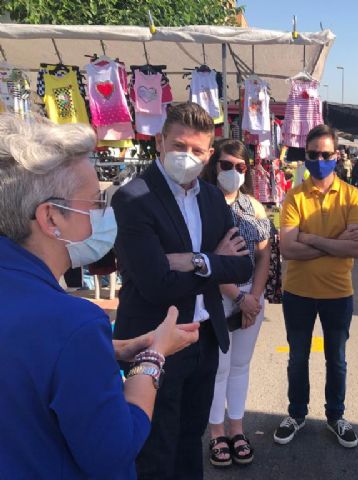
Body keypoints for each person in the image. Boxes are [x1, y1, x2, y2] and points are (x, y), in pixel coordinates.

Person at [0, 114, 200, 479]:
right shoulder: (72, 323)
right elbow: (116, 448)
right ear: (51, 218)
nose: (102, 215)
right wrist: (154, 356)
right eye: (94, 204)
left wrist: (109, 349)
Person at [112, 103, 253, 480]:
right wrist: (211, 261)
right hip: (153, 339)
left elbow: (241, 265)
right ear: (160, 141)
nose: (186, 157)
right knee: (155, 447)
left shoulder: (210, 197)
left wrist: (191, 260)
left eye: (196, 150)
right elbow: (156, 283)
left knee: (191, 440)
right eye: (179, 145)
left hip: (203, 339)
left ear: (209, 154)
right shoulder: (133, 197)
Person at [273, 124, 358, 448]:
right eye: (313, 155)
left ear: (336, 156)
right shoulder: (294, 196)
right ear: (306, 156)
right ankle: (296, 413)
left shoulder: (352, 196)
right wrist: (331, 242)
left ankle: (335, 416)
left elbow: (356, 247)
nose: (320, 159)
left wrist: (308, 239)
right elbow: (287, 248)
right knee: (297, 357)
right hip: (298, 292)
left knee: (336, 359)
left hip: (338, 294)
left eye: (326, 154)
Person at [201, 140, 271, 468]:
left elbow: (264, 255)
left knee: (241, 365)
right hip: (218, 296)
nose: (232, 172)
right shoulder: (202, 204)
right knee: (219, 368)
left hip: (251, 297)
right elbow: (206, 260)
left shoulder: (255, 207)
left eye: (240, 167)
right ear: (215, 165)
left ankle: (237, 428)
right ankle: (217, 432)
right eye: (226, 165)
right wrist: (239, 298)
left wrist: (253, 298)